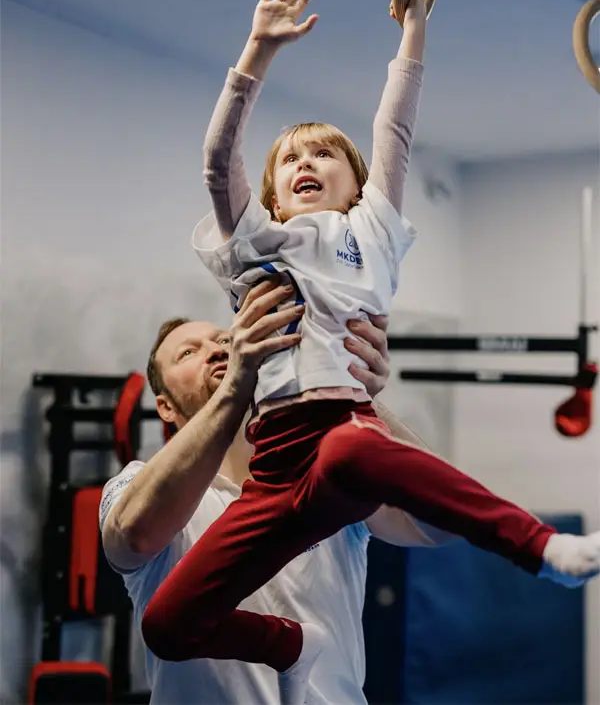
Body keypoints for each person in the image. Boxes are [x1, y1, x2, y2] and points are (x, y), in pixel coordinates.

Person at [140, 0, 600, 704]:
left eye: (323, 154)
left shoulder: (371, 232)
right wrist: (256, 51)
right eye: (288, 159)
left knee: (357, 447)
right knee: (166, 622)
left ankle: (541, 545)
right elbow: (216, 158)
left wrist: (413, 32)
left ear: (356, 183)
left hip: (337, 435)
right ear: (271, 193)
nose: (303, 164)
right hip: (273, 472)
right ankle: (295, 645)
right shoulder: (257, 242)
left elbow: (396, 129)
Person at [101, 280, 451, 704]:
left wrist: (349, 389)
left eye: (224, 340)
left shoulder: (323, 471)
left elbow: (443, 521)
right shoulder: (136, 484)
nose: (215, 350)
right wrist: (236, 385)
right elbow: (132, 537)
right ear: (165, 407)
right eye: (188, 353)